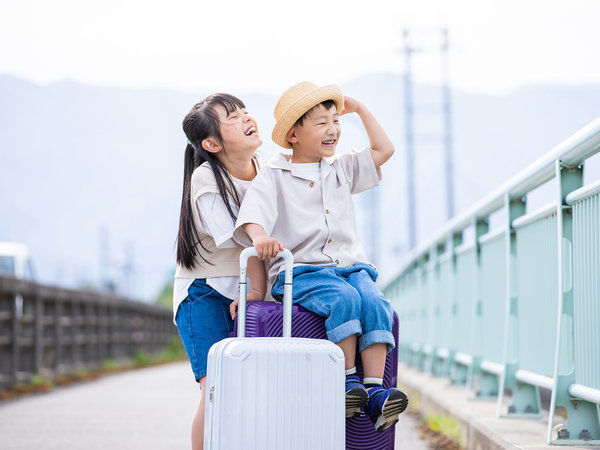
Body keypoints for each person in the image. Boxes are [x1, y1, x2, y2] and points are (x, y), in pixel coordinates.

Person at [233, 81, 408, 432]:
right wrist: (262, 237)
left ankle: (374, 392)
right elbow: (253, 217)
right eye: (321, 123)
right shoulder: (274, 174)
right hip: (303, 271)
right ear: (294, 135)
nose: (333, 130)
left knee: (376, 303)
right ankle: (346, 383)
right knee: (343, 299)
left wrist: (359, 110)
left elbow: (384, 149)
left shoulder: (341, 167)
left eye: (335, 121)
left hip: (350, 266)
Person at [174, 93, 271, 450]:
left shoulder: (266, 169)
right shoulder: (205, 178)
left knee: (251, 391)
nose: (247, 118)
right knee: (216, 388)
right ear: (211, 143)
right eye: (233, 117)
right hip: (205, 294)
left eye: (245, 111)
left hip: (251, 291)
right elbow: (240, 237)